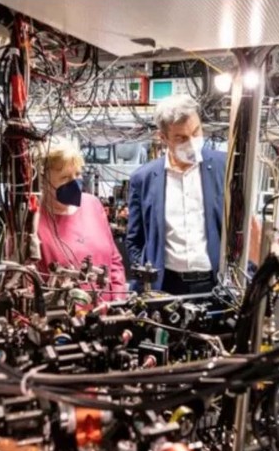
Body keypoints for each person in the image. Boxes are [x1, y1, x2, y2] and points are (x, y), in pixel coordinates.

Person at [126, 94, 227, 294]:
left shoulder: (224, 167)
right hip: (166, 285)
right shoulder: (143, 179)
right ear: (162, 138)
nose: (192, 142)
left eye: (196, 132)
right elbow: (134, 240)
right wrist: (146, 279)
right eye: (181, 137)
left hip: (214, 284)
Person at [33, 136, 126, 301]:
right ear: (42, 180)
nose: (75, 183)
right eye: (65, 178)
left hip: (107, 314)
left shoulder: (92, 205)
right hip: (64, 321)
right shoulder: (33, 223)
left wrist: (118, 302)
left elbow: (114, 261)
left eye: (78, 174)